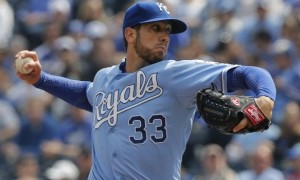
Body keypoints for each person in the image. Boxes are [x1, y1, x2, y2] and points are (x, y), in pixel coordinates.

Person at [14, 1, 276, 179]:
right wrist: (41, 79)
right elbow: (87, 94)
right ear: (130, 34)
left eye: (167, 30)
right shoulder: (104, 77)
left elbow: (249, 73)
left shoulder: (175, 74)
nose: (165, 35)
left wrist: (266, 96)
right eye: (155, 28)